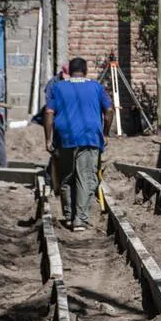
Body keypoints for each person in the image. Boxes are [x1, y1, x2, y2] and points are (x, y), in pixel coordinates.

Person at [44, 57, 113, 232]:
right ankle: (80, 220)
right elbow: (109, 111)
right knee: (85, 178)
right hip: (90, 138)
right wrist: (105, 133)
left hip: (65, 137)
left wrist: (48, 138)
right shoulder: (96, 86)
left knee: (67, 176)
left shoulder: (58, 87)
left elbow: (49, 112)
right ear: (85, 70)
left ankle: (68, 216)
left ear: (69, 70)